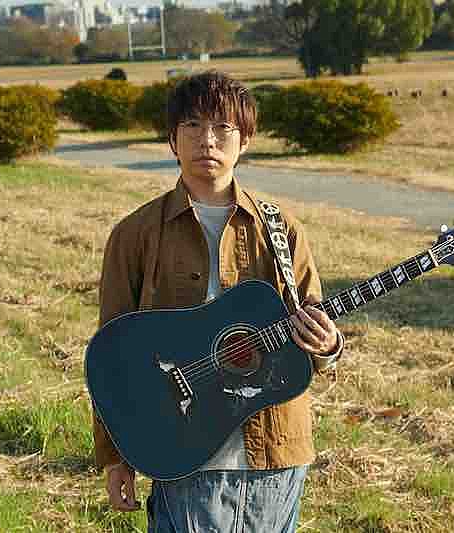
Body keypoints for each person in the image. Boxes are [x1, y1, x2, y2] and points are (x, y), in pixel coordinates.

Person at [92, 71, 345, 533]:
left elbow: (314, 332)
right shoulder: (135, 235)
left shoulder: (282, 230)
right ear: (172, 140)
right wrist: (115, 457)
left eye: (222, 127)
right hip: (183, 451)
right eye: (192, 125)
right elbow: (111, 356)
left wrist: (327, 344)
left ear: (244, 140)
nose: (207, 140)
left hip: (275, 451)